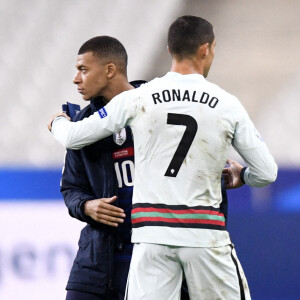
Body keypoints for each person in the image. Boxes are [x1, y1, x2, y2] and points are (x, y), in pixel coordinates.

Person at [49, 16, 278, 300]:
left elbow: (74, 137)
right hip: (204, 235)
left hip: (151, 236)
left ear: (169, 50)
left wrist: (59, 121)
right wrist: (243, 176)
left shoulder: (140, 97)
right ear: (206, 49)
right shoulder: (226, 103)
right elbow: (266, 173)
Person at [57, 35, 194, 300]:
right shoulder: (82, 125)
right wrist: (86, 206)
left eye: (83, 70)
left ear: (110, 70)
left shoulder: (160, 108)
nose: (76, 79)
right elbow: (71, 188)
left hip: (157, 253)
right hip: (99, 257)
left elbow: (193, 161)